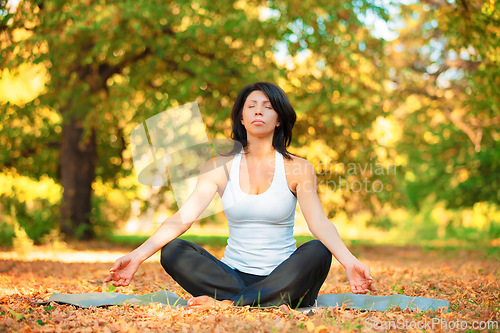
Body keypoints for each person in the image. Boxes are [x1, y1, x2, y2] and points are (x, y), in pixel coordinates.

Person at [104, 82, 376, 309]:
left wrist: (350, 261)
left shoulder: (298, 168)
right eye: (252, 106)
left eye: (268, 107)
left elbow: (319, 223)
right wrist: (138, 255)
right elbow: (183, 218)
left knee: (317, 250)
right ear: (242, 118)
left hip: (284, 277)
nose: (259, 112)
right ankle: (254, 300)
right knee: (174, 250)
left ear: (279, 118)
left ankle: (230, 304)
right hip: (231, 276)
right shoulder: (218, 167)